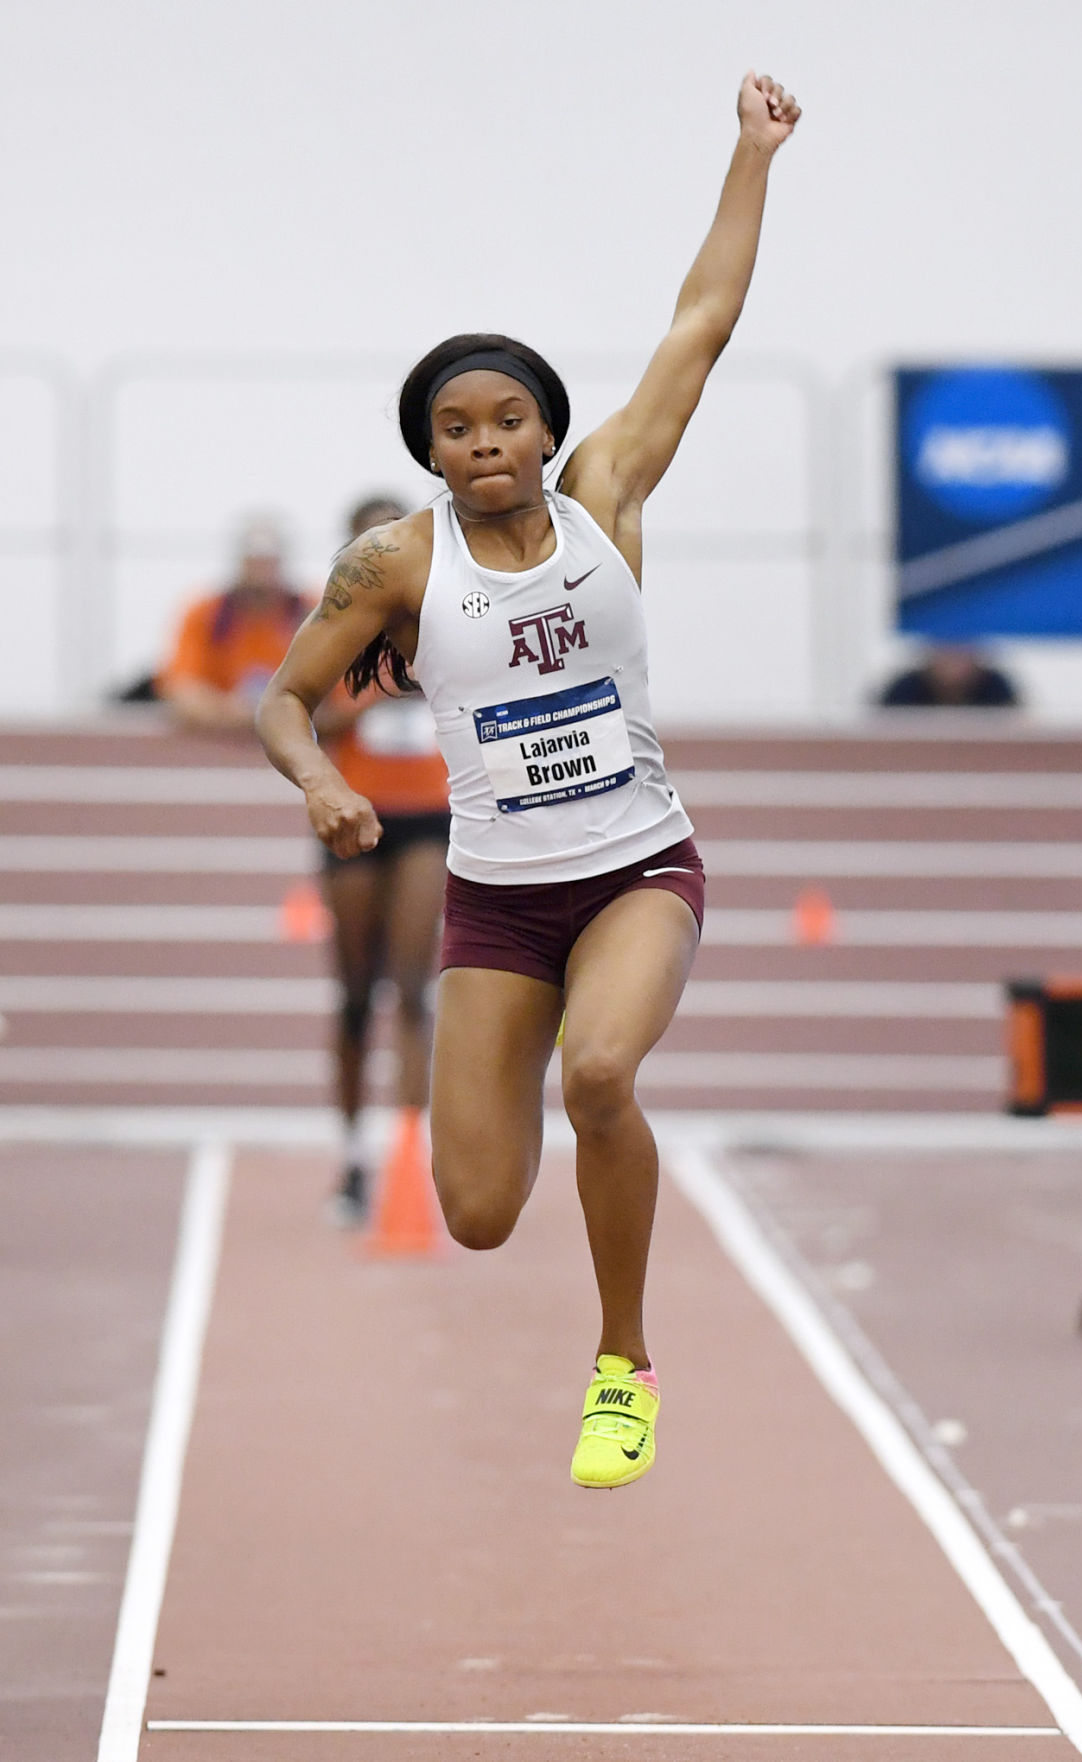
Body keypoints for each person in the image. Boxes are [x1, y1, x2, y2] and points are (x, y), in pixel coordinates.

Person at [257, 71, 802, 1489]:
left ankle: (623, 1367)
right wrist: (316, 781)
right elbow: (283, 698)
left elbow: (702, 320)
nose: (484, 441)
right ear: (428, 449)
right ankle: (536, 1150)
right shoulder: (391, 562)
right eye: (456, 427)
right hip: (496, 903)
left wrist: (750, 156)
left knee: (600, 1073)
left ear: (547, 431)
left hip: (635, 869)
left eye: (506, 419)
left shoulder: (606, 496)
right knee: (481, 1211)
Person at [316, 495, 450, 1225]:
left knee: (413, 987)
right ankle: (351, 1157)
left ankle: (407, 1154)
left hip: (428, 814)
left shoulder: (446, 615)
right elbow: (308, 710)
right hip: (352, 815)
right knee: (354, 994)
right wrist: (375, 694)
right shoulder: (334, 622)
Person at [159, 517, 310, 731]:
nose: (261, 571)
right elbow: (182, 691)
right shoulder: (206, 615)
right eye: (254, 561)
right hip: (220, 742)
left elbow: (340, 700)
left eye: (268, 562)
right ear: (240, 563)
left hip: (301, 737)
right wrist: (240, 713)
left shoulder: (312, 614)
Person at [876, 644, 1021, 708]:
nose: (953, 660)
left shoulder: (996, 686)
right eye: (946, 652)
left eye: (961, 652)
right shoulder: (905, 688)